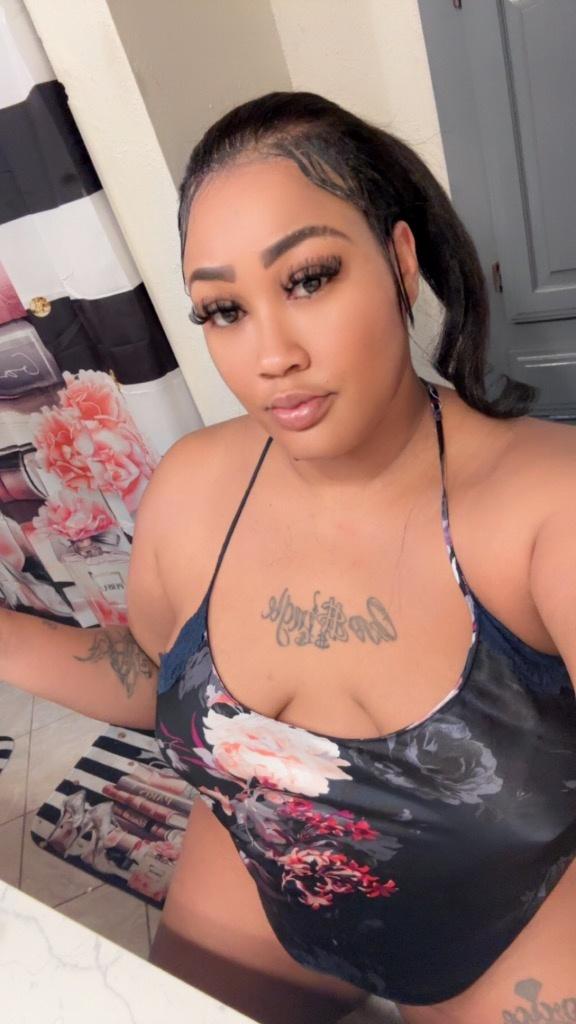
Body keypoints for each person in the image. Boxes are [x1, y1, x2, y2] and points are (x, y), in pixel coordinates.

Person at [1, 91, 575, 1024]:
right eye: (225, 309)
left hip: (507, 929)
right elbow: (155, 672)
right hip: (262, 891)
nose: (272, 355)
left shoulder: (550, 504)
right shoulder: (195, 486)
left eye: (307, 279)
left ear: (399, 261)